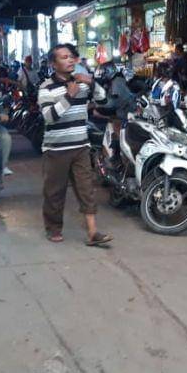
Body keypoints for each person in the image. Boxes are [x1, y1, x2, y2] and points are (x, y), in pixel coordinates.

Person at [38, 43, 112, 245]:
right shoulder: (46, 87)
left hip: (80, 146)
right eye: (64, 57)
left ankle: (92, 232)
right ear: (53, 64)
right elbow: (49, 117)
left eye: (71, 56)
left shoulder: (81, 82)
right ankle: (53, 228)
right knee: (54, 192)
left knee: (86, 190)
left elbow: (103, 101)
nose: (70, 60)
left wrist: (92, 82)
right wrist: (69, 96)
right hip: (56, 150)